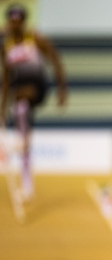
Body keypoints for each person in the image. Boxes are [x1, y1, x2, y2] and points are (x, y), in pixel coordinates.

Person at [0, 3, 67, 200]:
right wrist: (2, 108)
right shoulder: (7, 47)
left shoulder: (35, 39)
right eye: (11, 22)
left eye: (18, 22)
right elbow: (6, 79)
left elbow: (55, 59)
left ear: (23, 22)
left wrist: (61, 89)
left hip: (38, 88)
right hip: (19, 91)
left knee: (24, 96)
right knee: (20, 106)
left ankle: (23, 135)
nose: (14, 26)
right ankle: (23, 140)